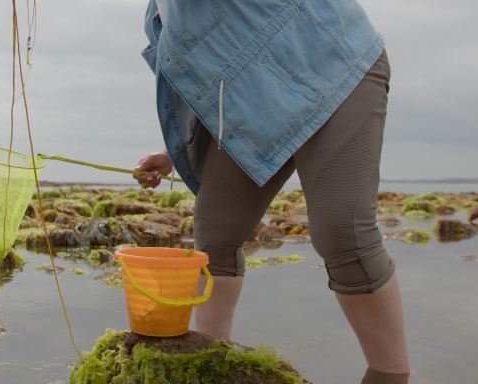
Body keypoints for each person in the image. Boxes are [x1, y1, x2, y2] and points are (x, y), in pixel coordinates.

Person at [132, 1, 414, 383]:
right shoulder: (157, 12)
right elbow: (204, 74)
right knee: (215, 231)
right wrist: (170, 152)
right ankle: (212, 361)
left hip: (333, 67)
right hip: (250, 109)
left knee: (341, 230)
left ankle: (390, 375)